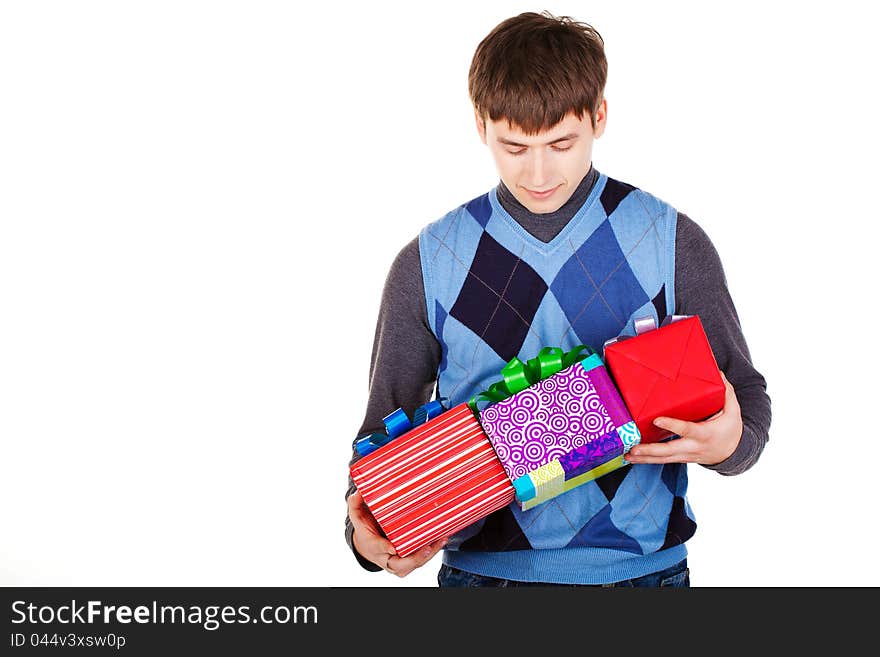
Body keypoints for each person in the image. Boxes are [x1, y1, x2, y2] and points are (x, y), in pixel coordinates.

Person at [344, 10, 771, 587]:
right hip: (484, 582)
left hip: (645, 578)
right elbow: (377, 447)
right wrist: (369, 540)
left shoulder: (671, 240)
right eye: (514, 147)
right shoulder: (426, 262)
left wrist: (729, 444)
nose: (539, 172)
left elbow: (744, 399)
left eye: (562, 143)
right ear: (480, 125)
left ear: (599, 116)